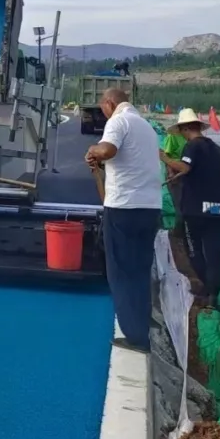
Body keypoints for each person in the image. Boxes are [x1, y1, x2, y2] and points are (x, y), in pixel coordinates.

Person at [85, 87, 163, 353]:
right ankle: (143, 319)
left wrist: (93, 149)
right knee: (140, 268)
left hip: (124, 209)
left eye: (102, 107)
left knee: (120, 271)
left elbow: (107, 150)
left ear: (109, 103)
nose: (103, 112)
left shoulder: (118, 121)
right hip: (150, 208)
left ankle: (135, 337)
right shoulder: (147, 128)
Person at [159, 108, 220, 308]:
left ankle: (207, 289)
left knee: (193, 249)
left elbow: (185, 167)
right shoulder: (216, 149)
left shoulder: (191, 147)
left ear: (185, 128)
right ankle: (214, 294)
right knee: (215, 252)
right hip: (217, 208)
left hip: (196, 210)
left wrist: (164, 158)